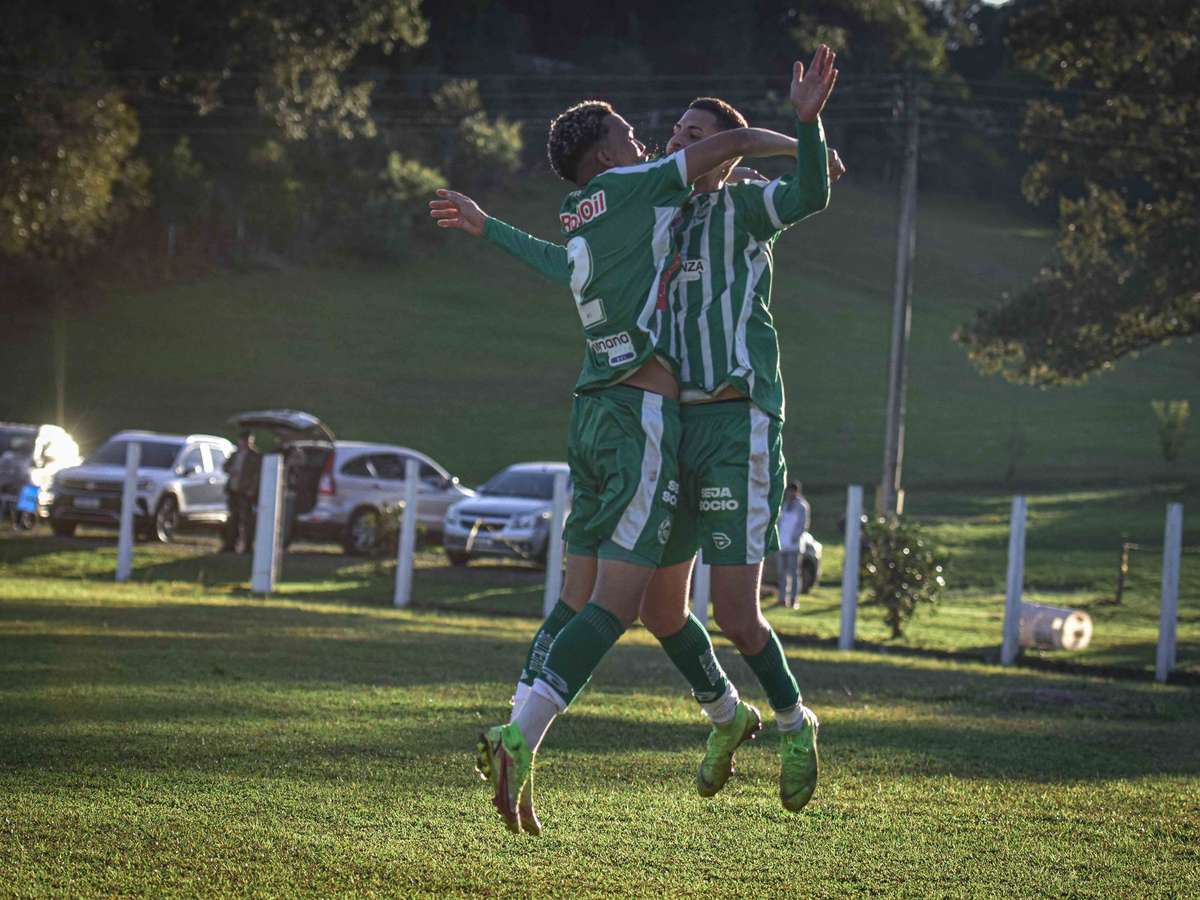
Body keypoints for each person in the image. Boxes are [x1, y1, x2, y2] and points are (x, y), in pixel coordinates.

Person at [431, 48, 838, 833]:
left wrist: (807, 129)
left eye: (688, 132)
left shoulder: (717, 209)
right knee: (644, 606)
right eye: (661, 130)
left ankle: (787, 724)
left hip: (716, 416)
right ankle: (717, 717)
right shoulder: (658, 202)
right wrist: (777, 133)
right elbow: (607, 240)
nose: (668, 139)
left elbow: (811, 191)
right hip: (655, 420)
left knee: (710, 609)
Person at [222, 432, 261, 554]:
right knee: (233, 518)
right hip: (233, 489)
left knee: (247, 520)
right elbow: (225, 467)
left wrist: (252, 489)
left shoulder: (255, 456)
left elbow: (257, 475)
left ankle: (248, 546)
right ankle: (230, 544)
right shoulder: (235, 455)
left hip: (246, 492)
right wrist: (230, 470)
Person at [776, 482, 810, 608]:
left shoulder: (802, 506)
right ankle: (782, 598)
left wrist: (794, 538)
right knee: (781, 574)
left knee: (794, 574)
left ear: (796, 492)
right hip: (782, 545)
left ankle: (794, 599)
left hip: (794, 546)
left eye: (791, 491)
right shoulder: (784, 504)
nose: (789, 494)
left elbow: (803, 525)